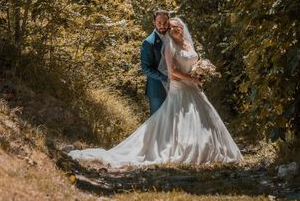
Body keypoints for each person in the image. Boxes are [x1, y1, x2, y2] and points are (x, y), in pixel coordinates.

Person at [68, 17, 242, 167]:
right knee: (180, 120)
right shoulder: (169, 46)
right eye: (171, 26)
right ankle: (185, 148)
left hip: (193, 87)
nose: (174, 28)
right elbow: (172, 72)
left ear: (182, 27)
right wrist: (192, 79)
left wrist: (199, 72)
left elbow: (192, 63)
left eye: (177, 25)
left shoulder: (189, 44)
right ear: (168, 29)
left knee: (205, 117)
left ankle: (212, 149)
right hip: (180, 88)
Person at [140, 9, 170, 115]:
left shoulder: (173, 38)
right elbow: (146, 68)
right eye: (159, 23)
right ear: (154, 22)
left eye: (165, 22)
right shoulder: (148, 42)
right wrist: (166, 78)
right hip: (157, 90)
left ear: (169, 21)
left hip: (175, 88)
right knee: (157, 124)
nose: (162, 26)